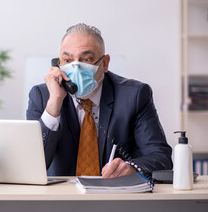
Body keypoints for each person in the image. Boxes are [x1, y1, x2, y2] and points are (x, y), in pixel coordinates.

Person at [26, 23, 172, 178]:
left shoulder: (135, 95)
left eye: (86, 59)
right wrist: (54, 102)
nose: (76, 67)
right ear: (58, 64)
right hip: (60, 198)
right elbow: (32, 165)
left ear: (105, 63)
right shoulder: (41, 96)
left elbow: (161, 156)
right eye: (68, 60)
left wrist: (131, 167)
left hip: (113, 197)